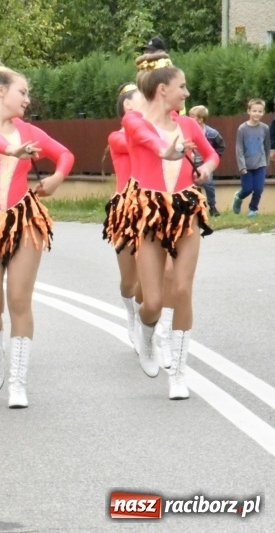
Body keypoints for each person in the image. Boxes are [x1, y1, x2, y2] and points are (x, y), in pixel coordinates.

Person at [0, 61, 74, 408]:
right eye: (22, 92)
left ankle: (18, 382)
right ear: (0, 92)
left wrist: (56, 178)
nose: (27, 99)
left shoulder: (28, 130)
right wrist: (11, 150)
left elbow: (65, 154)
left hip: (23, 220)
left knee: (20, 301)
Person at [120, 51, 219, 400]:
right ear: (163, 90)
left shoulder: (189, 124)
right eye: (182, 87)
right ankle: (146, 335)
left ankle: (178, 372)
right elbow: (149, 140)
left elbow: (211, 154)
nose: (187, 93)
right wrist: (167, 150)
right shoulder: (135, 121)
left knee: (181, 290)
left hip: (185, 211)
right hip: (149, 214)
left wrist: (206, 168)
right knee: (152, 301)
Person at [104, 83, 146, 346]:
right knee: (130, 279)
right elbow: (136, 145)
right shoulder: (117, 137)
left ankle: (152, 324)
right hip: (125, 209)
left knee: (155, 273)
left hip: (153, 207)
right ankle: (131, 314)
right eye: (143, 97)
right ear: (128, 105)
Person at [232, 98, 270, 218]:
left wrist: (266, 162)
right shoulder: (242, 129)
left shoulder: (265, 128)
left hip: (260, 164)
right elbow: (239, 148)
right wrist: (242, 166)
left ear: (263, 112)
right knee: (247, 189)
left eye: (260, 111)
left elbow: (267, 146)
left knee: (258, 189)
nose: (257, 114)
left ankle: (253, 210)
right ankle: (238, 197)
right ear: (248, 111)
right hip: (246, 165)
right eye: (254, 111)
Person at [188, 105, 225, 217]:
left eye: (192, 117)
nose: (189, 119)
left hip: (205, 163)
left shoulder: (212, 133)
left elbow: (221, 146)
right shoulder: (188, 131)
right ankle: (197, 207)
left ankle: (212, 207)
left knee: (208, 184)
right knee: (193, 185)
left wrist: (213, 159)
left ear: (200, 119)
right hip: (192, 163)